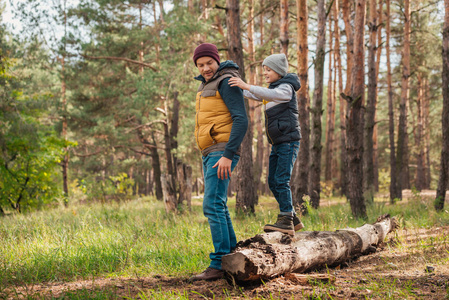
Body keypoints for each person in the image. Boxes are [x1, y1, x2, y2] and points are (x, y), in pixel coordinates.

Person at [190, 43, 248, 281]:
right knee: (219, 205)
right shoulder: (208, 85)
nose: (205, 68)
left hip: (221, 151)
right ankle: (232, 256)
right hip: (211, 151)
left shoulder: (226, 81)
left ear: (217, 61)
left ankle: (218, 263)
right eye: (200, 64)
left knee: (212, 205)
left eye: (209, 63)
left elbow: (241, 120)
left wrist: (227, 155)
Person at [228, 53, 303, 237]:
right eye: (264, 70)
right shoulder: (273, 89)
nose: (265, 73)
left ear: (278, 71)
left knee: (281, 180)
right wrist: (238, 88)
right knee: (272, 181)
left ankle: (286, 218)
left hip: (289, 142)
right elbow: (256, 94)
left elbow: (270, 94)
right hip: (277, 143)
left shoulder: (286, 88)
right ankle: (292, 218)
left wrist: (246, 85)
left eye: (268, 70)